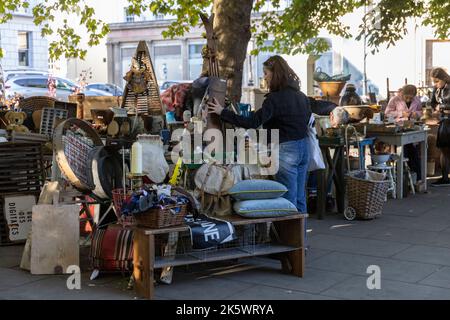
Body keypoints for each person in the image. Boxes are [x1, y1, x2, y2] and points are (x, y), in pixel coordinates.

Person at [207, 55, 312, 212]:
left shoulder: (274, 99)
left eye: (266, 73)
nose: (264, 77)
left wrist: (222, 112)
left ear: (275, 74)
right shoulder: (301, 96)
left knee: (288, 200)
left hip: (286, 150)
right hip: (304, 147)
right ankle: (301, 236)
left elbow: (252, 122)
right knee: (299, 198)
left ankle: (288, 237)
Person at [385, 84, 423, 181]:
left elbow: (420, 111)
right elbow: (387, 113)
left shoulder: (417, 100)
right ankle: (402, 178)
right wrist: (401, 113)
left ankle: (416, 178)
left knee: (414, 152)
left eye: (411, 98)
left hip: (411, 128)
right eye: (407, 97)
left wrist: (416, 114)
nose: (409, 100)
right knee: (404, 151)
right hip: (399, 128)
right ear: (402, 94)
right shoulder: (395, 99)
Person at [430, 67, 450, 187]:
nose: (435, 84)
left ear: (443, 78)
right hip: (444, 121)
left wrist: (440, 108)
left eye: (437, 81)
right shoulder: (436, 89)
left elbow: (442, 105)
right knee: (444, 149)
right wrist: (438, 108)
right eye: (433, 82)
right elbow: (432, 103)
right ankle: (445, 178)